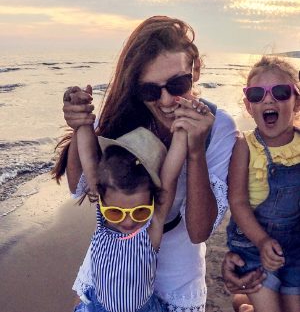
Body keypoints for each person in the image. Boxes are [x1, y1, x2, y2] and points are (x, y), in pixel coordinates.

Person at [53, 16, 238, 311]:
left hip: (177, 281)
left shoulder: (218, 126)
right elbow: (82, 185)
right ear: (136, 87)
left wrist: (194, 151)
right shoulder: (124, 116)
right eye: (150, 91)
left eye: (178, 84)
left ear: (196, 70)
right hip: (106, 278)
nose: (165, 101)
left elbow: (199, 231)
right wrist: (80, 125)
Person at [73, 120, 189, 311]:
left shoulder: (151, 229)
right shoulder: (103, 222)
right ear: (102, 200)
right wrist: (84, 122)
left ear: (152, 202)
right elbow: (88, 159)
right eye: (115, 213)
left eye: (140, 212)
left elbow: (170, 176)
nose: (129, 221)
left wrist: (181, 134)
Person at [226, 55, 300, 312]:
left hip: (295, 248)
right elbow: (237, 201)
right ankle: (244, 304)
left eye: (281, 92)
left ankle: (244, 306)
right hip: (252, 246)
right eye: (257, 94)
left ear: (297, 102)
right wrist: (261, 240)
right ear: (248, 105)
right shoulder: (245, 145)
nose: (268, 99)